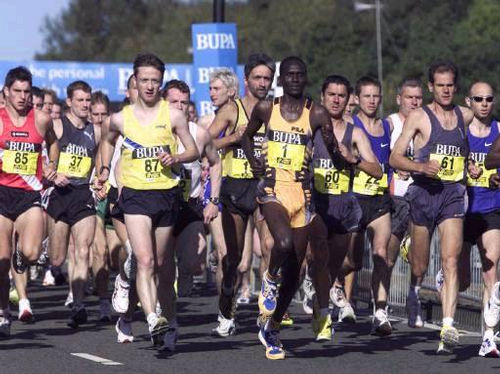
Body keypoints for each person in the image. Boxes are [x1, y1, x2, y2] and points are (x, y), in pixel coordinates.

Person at [241, 56, 342, 360]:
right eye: (290, 75)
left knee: (295, 274)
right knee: (282, 243)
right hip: (272, 190)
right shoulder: (266, 108)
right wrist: (255, 162)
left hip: (303, 195)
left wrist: (332, 145)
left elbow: (334, 156)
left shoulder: (317, 113)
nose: (295, 79)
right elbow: (246, 136)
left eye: (300, 74)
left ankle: (271, 329)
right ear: (281, 79)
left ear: (306, 78)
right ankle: (269, 281)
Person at [98, 53, 199, 348]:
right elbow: (106, 140)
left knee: (164, 265)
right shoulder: (120, 118)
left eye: (155, 81)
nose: (150, 86)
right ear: (135, 81)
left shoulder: (174, 115)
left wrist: (176, 156)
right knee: (144, 259)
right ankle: (153, 317)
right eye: (145, 80)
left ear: (161, 82)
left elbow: (192, 151)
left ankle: (170, 320)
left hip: (166, 195)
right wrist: (104, 169)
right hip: (135, 196)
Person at [390, 60, 477, 354]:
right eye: (440, 85)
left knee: (451, 260)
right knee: (420, 265)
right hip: (424, 193)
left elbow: (469, 150)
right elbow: (394, 158)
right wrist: (420, 166)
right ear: (430, 87)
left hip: (452, 193)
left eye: (450, 85)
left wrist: (473, 167)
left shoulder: (465, 116)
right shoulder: (419, 117)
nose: (445, 90)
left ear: (456, 86)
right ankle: (409, 245)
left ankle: (448, 324)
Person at [309, 74, 382, 340]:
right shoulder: (310, 128)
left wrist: (354, 159)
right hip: (315, 203)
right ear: (322, 97)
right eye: (332, 95)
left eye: (341, 95)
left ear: (348, 99)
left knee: (334, 265)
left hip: (342, 205)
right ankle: (323, 312)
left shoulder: (356, 133)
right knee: (315, 256)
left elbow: (376, 171)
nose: (337, 100)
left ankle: (320, 307)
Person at [207, 54, 275, 336]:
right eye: (257, 78)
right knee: (233, 259)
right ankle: (226, 309)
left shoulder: (277, 110)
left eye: (267, 78)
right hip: (236, 187)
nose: (262, 83)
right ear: (246, 80)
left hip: (265, 187)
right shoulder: (232, 109)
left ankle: (266, 310)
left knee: (270, 246)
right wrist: (234, 137)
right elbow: (206, 143)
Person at [0, 66, 58, 337]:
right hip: (1, 193)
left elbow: (53, 142)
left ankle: (21, 260)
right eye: (17, 91)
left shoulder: (42, 119)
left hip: (29, 194)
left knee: (32, 253)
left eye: (26, 91)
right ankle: (3, 312)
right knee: (1, 260)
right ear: (7, 92)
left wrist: (52, 165)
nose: (22, 97)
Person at [339, 76, 394, 335]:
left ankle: (380, 312)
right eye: (367, 96)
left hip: (380, 199)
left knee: (381, 254)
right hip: (354, 198)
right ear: (357, 99)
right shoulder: (350, 124)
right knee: (352, 260)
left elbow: (389, 159)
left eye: (376, 96)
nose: (372, 101)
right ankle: (330, 279)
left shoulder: (386, 127)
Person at [47, 80, 100, 328]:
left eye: (88, 100)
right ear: (69, 102)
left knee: (82, 249)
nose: (85, 105)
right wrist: (52, 172)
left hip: (82, 195)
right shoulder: (58, 126)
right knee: (57, 259)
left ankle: (78, 304)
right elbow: (42, 153)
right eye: (80, 100)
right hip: (60, 194)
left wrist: (101, 179)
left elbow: (101, 161)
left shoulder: (96, 131)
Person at [463, 82, 500, 357]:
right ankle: (447, 277)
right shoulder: (459, 131)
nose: (484, 103)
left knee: (490, 271)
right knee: (462, 280)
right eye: (478, 99)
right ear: (469, 101)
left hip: (492, 208)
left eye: (489, 98)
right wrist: (465, 167)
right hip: (462, 209)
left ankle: (488, 336)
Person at [386, 78, 424, 327]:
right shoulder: (390, 123)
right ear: (399, 98)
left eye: (418, 98)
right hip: (394, 196)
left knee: (417, 254)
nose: (414, 102)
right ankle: (383, 305)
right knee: (388, 256)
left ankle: (414, 298)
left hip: (420, 195)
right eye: (409, 97)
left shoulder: (426, 122)